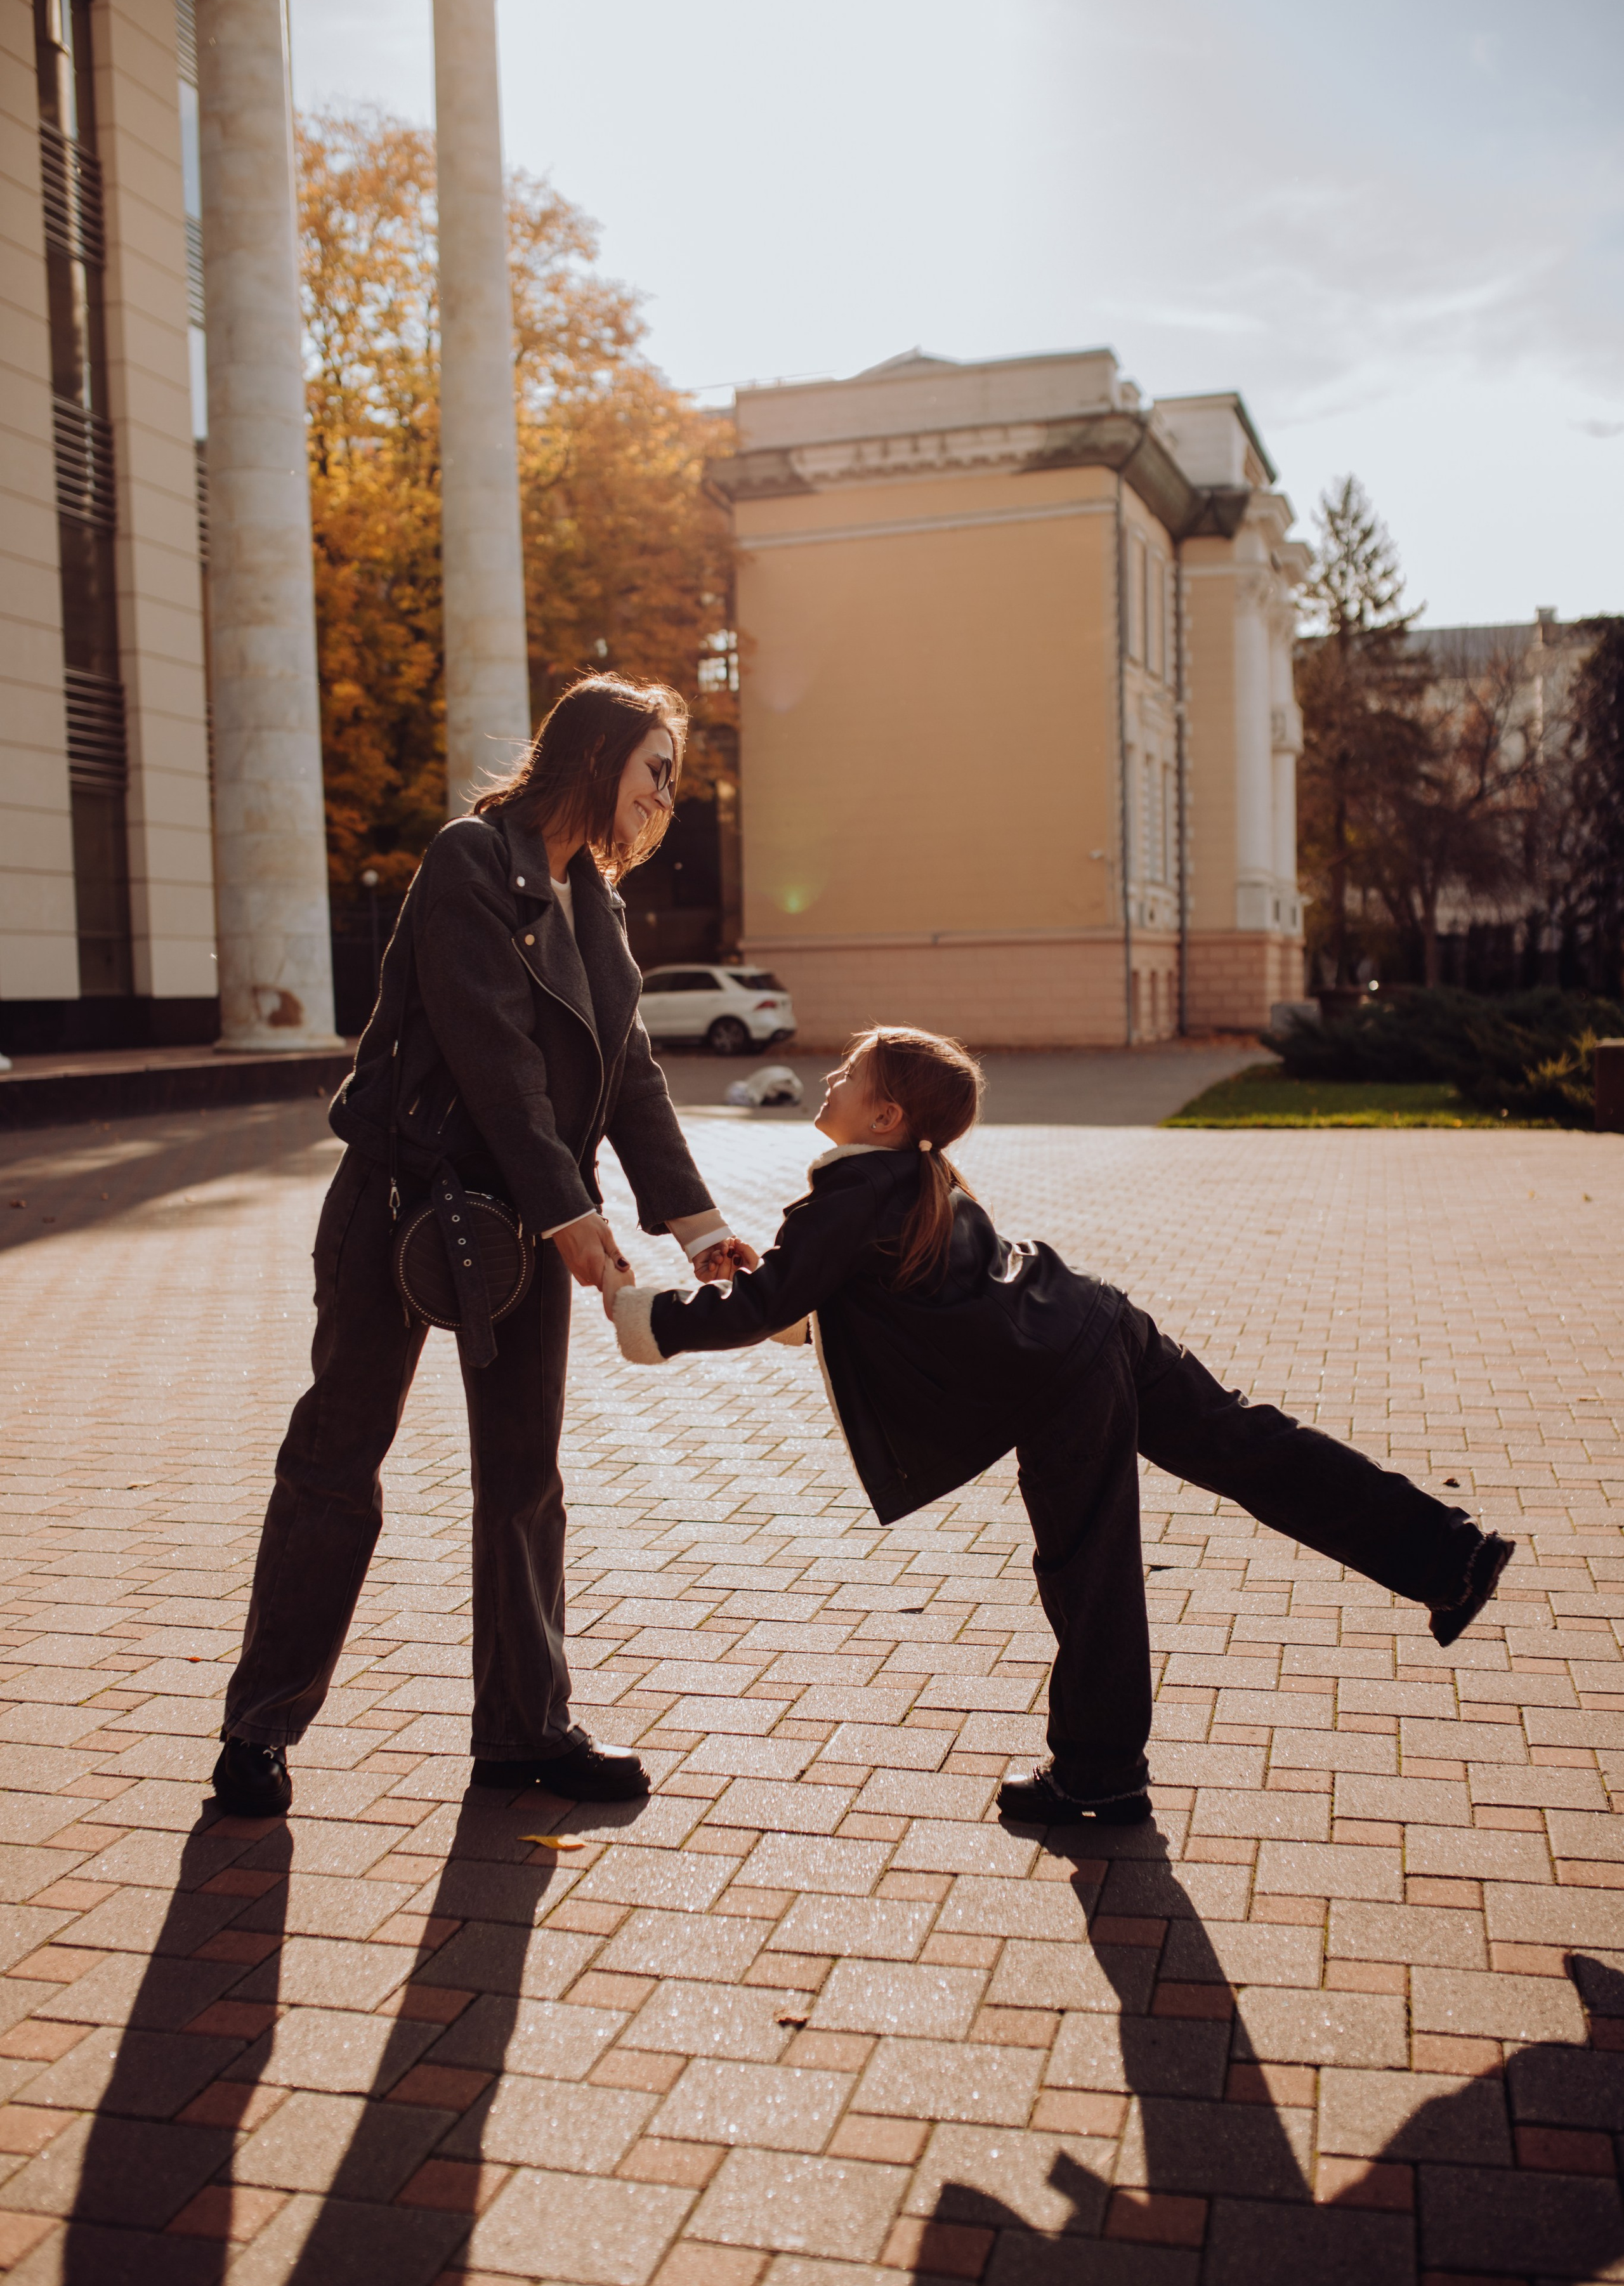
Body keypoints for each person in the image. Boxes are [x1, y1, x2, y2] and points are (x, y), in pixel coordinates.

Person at [605, 1025, 1514, 1825]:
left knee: (1090, 1564)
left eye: (852, 1070)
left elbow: (762, 1306)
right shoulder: (915, 1178)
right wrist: (776, 1287)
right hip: (1097, 1322)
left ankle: (1098, 1775)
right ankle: (1450, 1554)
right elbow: (840, 1294)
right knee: (1250, 1444)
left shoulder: (850, 1197)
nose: (833, 1076)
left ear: (885, 1116)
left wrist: (638, 1310)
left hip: (1063, 1374)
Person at [213, 675, 756, 1820]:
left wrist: (697, 1223)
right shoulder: (471, 860)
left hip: (515, 1222)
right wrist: (574, 1216)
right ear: (598, 754)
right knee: (335, 1463)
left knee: (523, 1477)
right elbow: (494, 1058)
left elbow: (630, 1075)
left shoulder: (590, 900)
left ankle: (524, 1734)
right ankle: (257, 1733)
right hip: (402, 1207)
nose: (666, 793)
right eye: (656, 768)